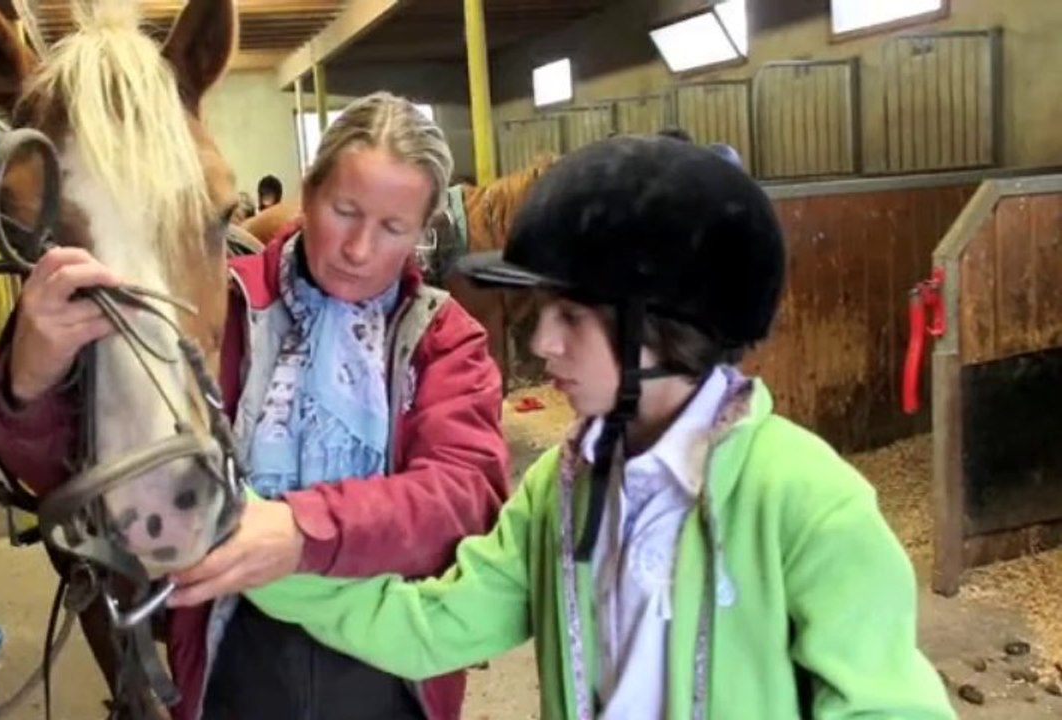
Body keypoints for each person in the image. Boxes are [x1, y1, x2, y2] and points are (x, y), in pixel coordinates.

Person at [245, 135, 957, 720]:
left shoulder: (806, 501)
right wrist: (259, 553)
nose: (541, 343)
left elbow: (890, 708)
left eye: (572, 317)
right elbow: (436, 624)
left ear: (666, 326)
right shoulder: (557, 493)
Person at [0, 91, 510, 720]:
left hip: (392, 678)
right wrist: (33, 374)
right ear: (307, 193)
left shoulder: (442, 338)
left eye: (393, 228)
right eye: (344, 210)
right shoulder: (217, 308)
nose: (359, 249)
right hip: (229, 658)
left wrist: (300, 532)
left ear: (422, 234)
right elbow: (72, 472)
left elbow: (463, 496)